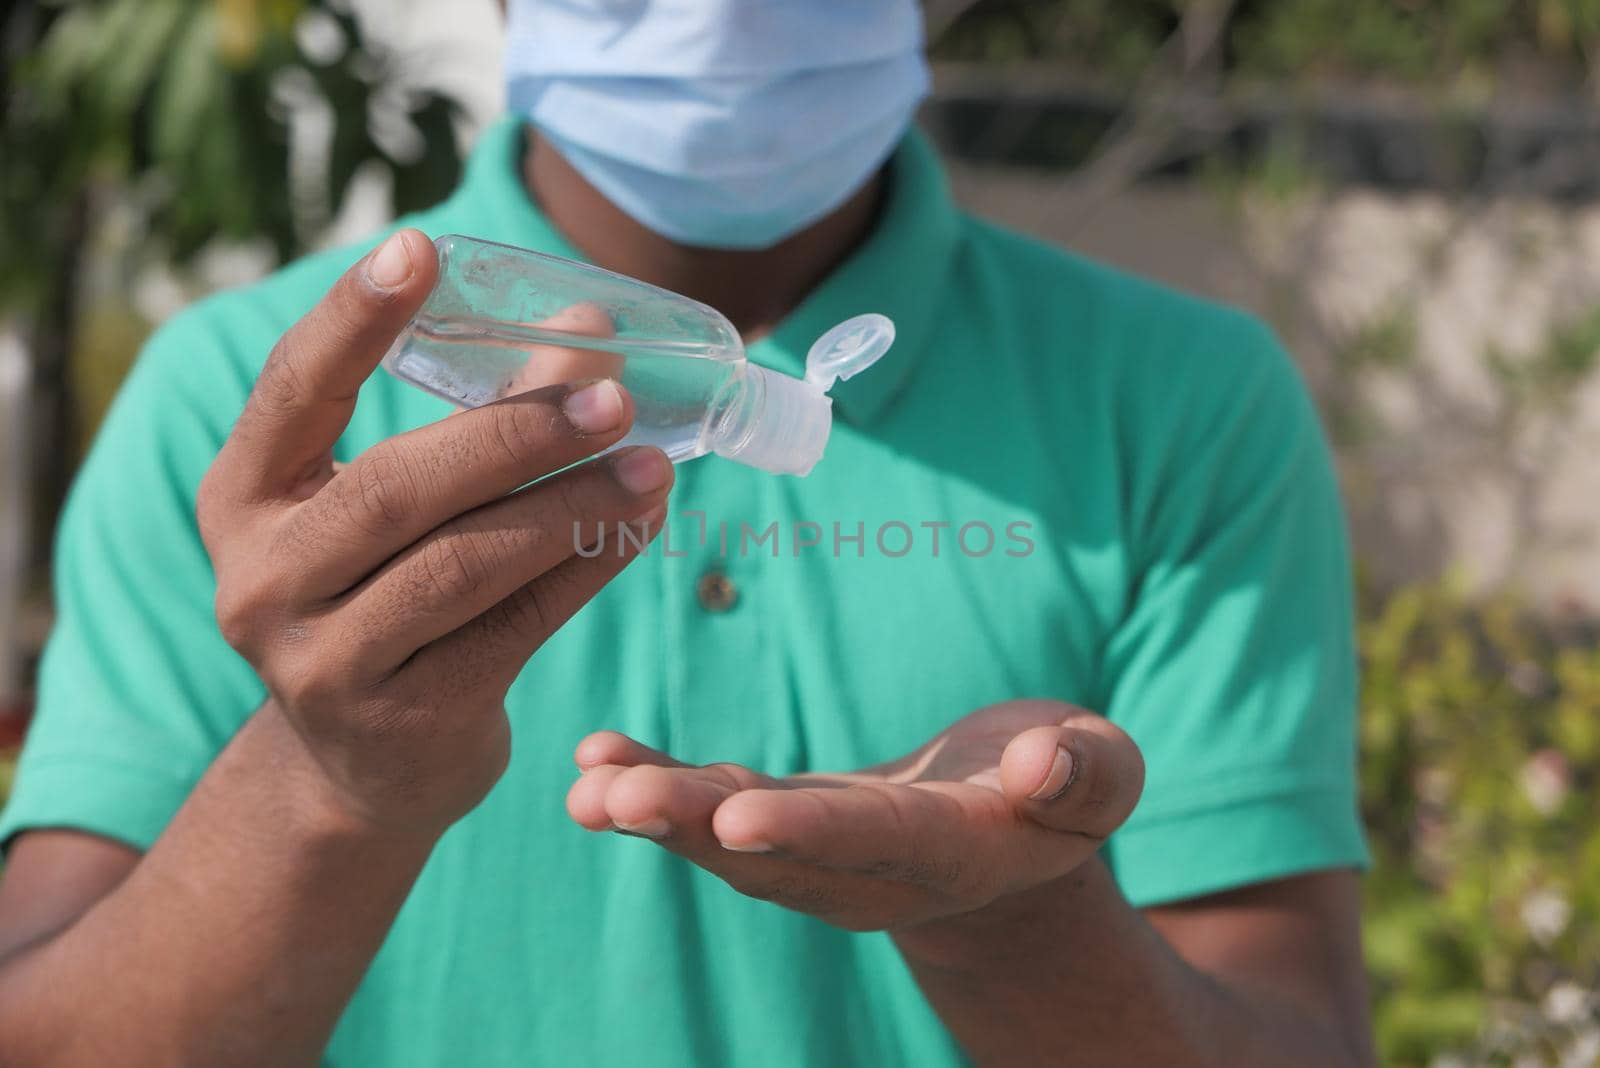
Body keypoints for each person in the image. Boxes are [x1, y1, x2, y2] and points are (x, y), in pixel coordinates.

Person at [0, 2, 1376, 1065]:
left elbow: (1294, 1027)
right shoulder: (250, 412)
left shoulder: (1179, 404)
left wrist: (1013, 918)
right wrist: (332, 783)